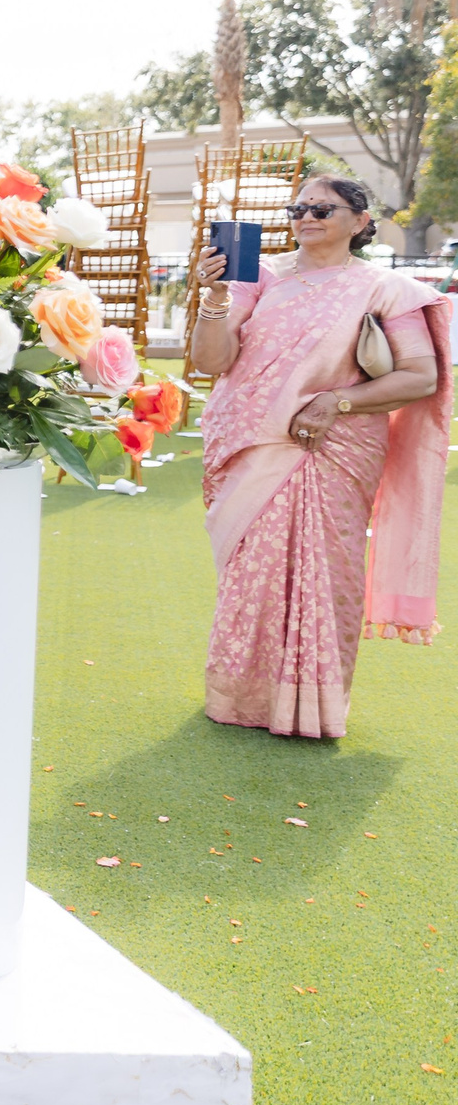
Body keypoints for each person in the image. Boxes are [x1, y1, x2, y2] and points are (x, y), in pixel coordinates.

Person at [189, 176, 451, 740]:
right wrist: (212, 297)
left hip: (330, 449)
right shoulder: (257, 275)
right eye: (298, 208)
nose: (307, 216)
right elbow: (212, 362)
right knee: (249, 576)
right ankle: (239, 698)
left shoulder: (385, 289)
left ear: (360, 221)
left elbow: (420, 375)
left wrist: (336, 401)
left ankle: (312, 707)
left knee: (325, 572)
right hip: (253, 443)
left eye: (323, 209)